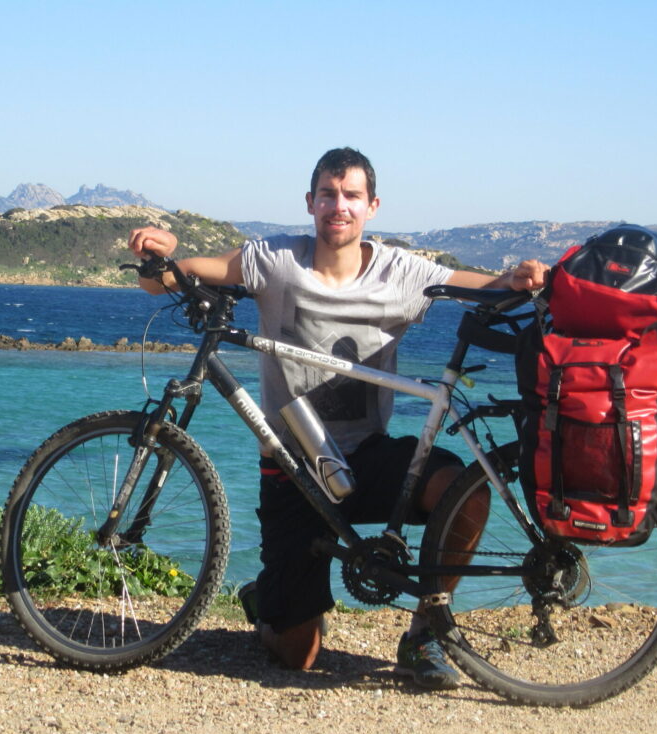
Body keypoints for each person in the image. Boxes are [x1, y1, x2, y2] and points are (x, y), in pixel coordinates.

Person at [128, 147, 548, 688]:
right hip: (293, 469)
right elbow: (171, 278)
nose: (339, 206)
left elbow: (478, 284)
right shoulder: (275, 260)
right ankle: (270, 600)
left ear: (372, 206)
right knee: (296, 657)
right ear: (310, 202)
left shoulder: (401, 272)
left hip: (367, 457)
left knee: (465, 490)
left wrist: (517, 277)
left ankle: (427, 632)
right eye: (328, 194)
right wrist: (158, 257)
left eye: (351, 195)